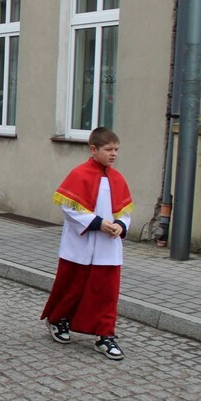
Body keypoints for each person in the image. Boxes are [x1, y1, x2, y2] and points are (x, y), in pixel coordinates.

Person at [41, 127, 132, 360]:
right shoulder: (79, 174)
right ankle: (58, 319)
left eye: (117, 150)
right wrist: (97, 223)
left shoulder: (118, 178)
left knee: (106, 292)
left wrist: (121, 225)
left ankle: (104, 335)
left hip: (107, 246)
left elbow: (124, 210)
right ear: (94, 150)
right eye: (109, 149)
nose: (114, 154)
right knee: (72, 286)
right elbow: (68, 208)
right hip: (81, 244)